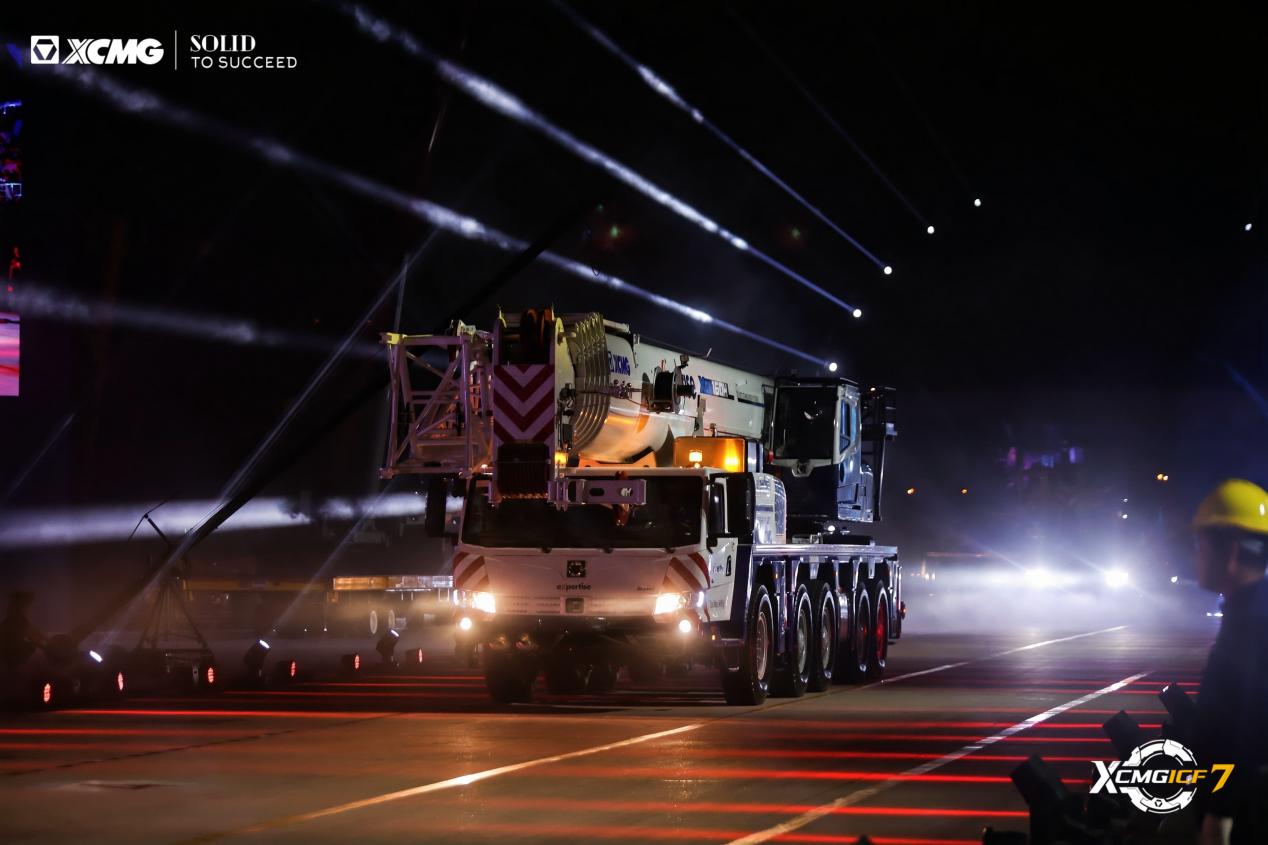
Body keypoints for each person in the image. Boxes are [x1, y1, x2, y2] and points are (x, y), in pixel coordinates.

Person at [1191, 479, 1268, 845]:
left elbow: (1248, 727)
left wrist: (1220, 813)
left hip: (1247, 816)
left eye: (1201, 545)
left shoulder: (1253, 625)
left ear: (1232, 552)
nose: (1196, 556)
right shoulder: (1248, 612)